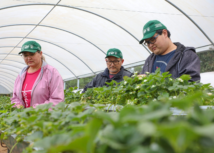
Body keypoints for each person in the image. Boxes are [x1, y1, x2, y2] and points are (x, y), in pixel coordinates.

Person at [11, 41, 64, 108]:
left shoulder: (52, 73)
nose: (29, 58)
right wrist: (17, 105)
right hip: (23, 117)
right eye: (25, 55)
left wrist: (35, 110)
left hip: (44, 117)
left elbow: (57, 100)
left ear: (40, 54)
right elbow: (15, 97)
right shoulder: (21, 75)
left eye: (32, 54)